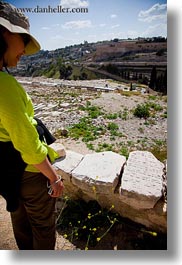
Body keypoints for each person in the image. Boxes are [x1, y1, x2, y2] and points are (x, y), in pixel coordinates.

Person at [0, 1, 64, 250]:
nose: (25, 50)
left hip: (6, 169)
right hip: (28, 171)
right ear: (3, 33)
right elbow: (28, 144)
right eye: (23, 39)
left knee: (19, 217)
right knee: (42, 225)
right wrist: (54, 177)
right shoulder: (4, 85)